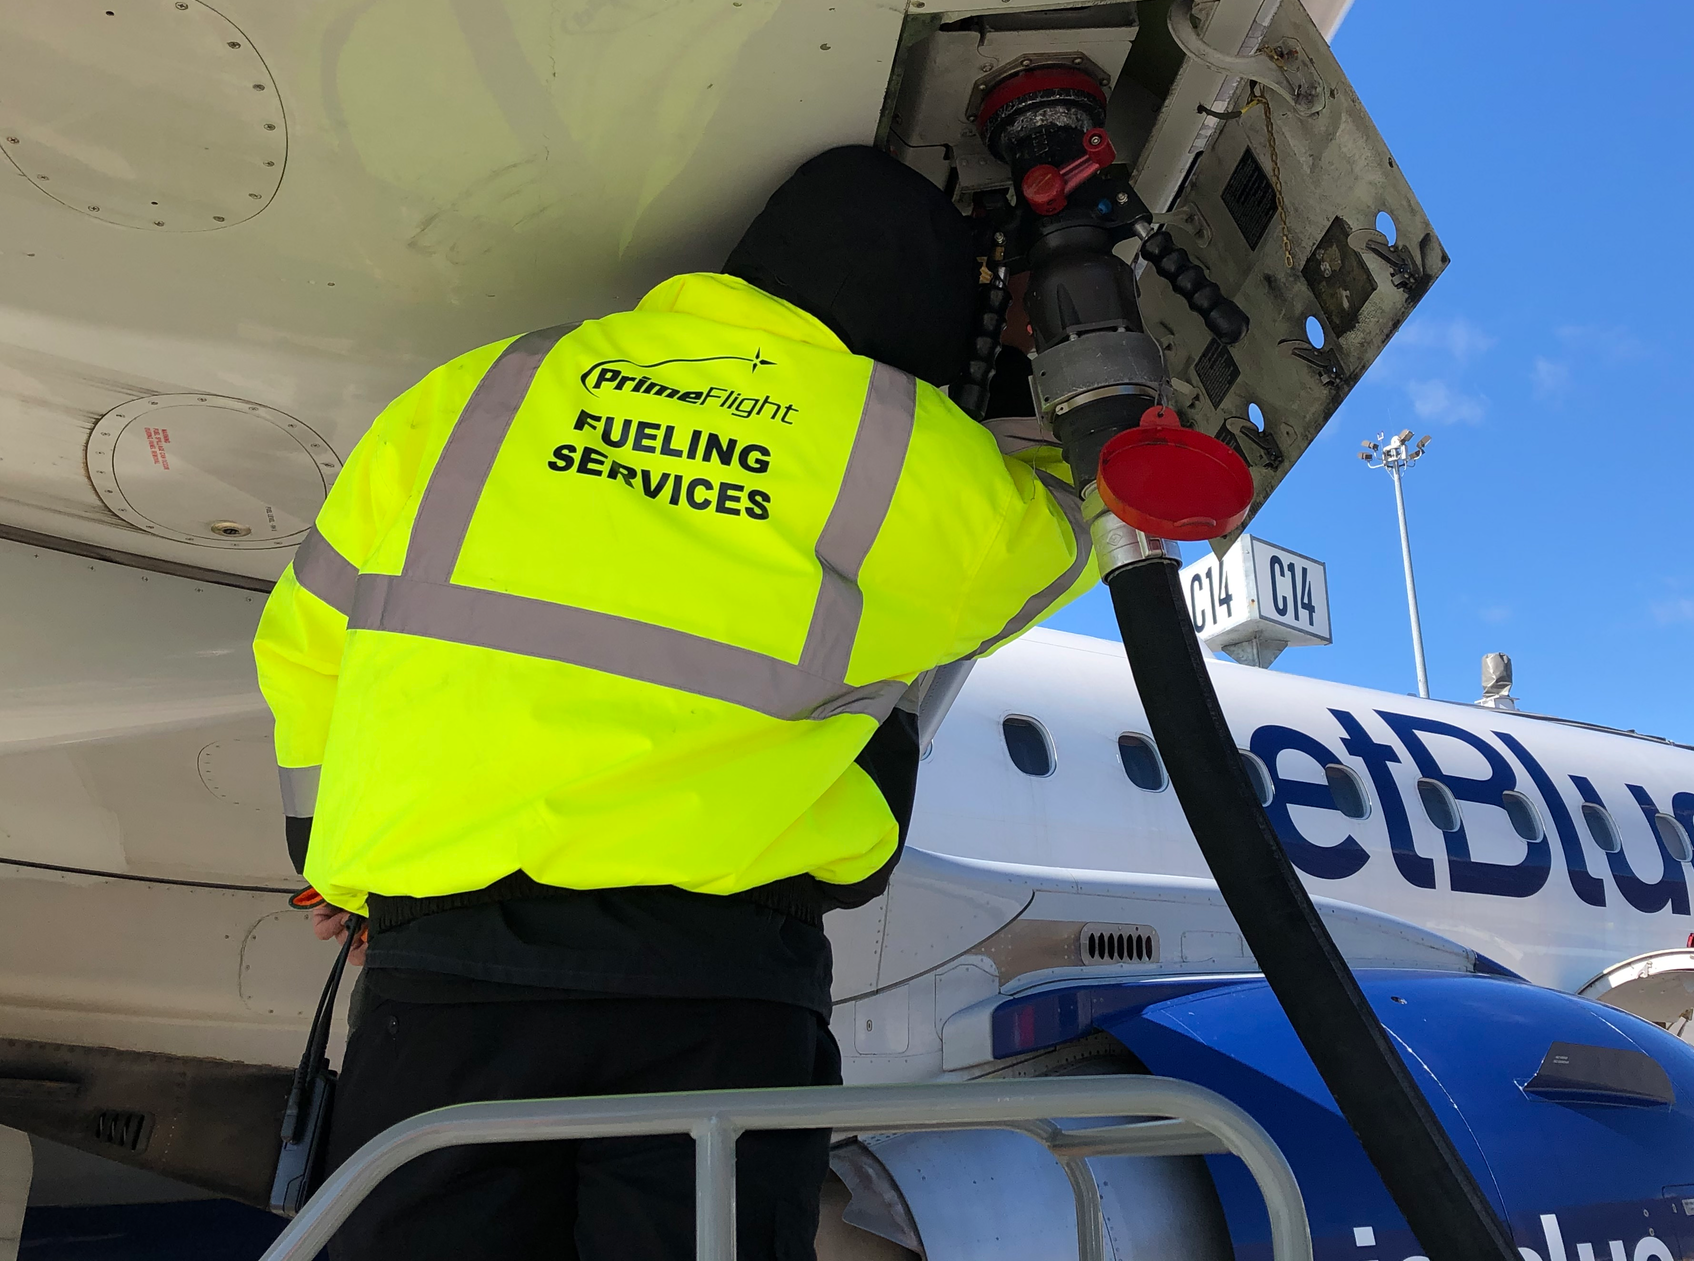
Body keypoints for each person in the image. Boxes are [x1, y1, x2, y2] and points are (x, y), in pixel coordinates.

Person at [252, 145, 1092, 1261]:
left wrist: (328, 855)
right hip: (711, 992)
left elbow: (311, 637)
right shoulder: (908, 450)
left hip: (445, 981)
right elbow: (1093, 522)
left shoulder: (477, 388)